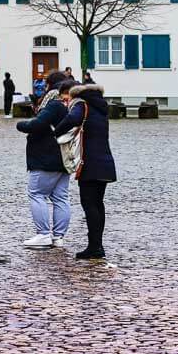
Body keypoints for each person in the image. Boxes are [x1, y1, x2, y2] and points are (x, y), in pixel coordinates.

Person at [53, 80, 116, 260]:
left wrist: (55, 132)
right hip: (105, 162)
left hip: (89, 163)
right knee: (98, 204)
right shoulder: (101, 106)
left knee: (89, 204)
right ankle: (97, 245)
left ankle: (94, 247)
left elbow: (71, 120)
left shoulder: (82, 105)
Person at [16, 70, 71, 248]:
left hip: (45, 157)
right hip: (64, 157)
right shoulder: (70, 103)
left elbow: (38, 124)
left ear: (50, 86)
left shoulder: (54, 103)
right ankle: (58, 237)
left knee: (36, 194)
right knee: (60, 197)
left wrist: (21, 125)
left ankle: (43, 234)